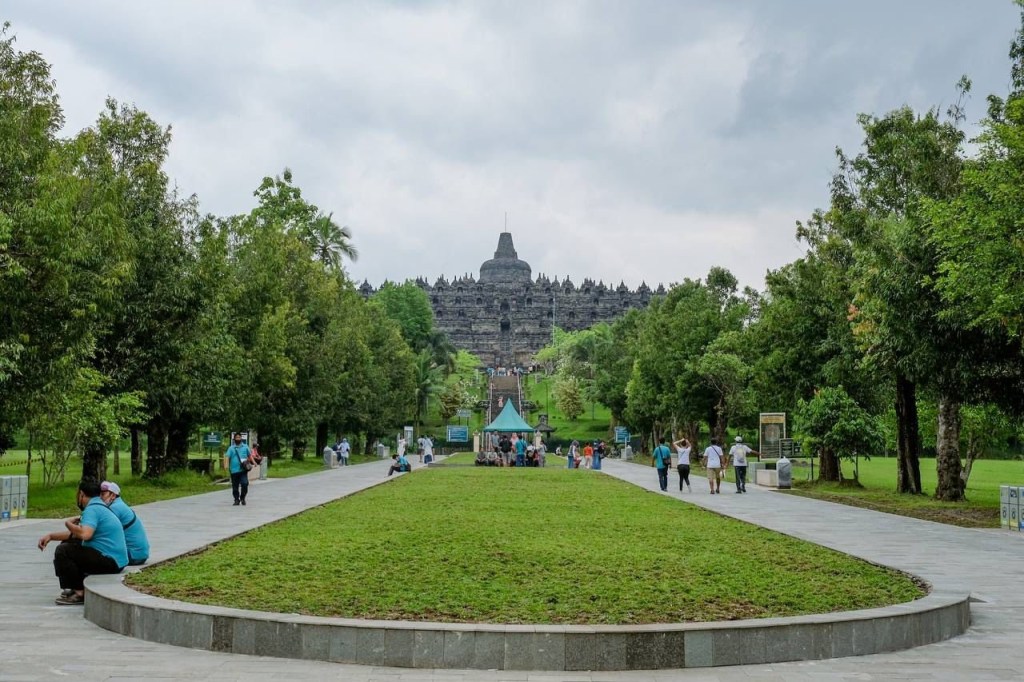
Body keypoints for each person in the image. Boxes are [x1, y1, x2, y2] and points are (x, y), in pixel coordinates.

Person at [37, 479, 127, 605]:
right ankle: (75, 587)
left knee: (63, 550)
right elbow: (77, 534)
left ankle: (79, 593)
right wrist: (51, 536)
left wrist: (68, 524)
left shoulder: (92, 509)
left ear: (82, 494)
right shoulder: (100, 506)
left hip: (111, 561)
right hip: (117, 561)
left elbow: (85, 534)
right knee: (68, 544)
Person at [99, 481, 150, 565]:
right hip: (140, 554)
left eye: (103, 494)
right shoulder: (120, 504)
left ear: (113, 495)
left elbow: (102, 530)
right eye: (99, 495)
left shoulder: (114, 508)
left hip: (133, 555)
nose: (100, 497)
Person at [226, 433, 253, 506]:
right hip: (234, 470)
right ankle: (236, 500)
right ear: (234, 439)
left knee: (245, 483)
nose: (238, 439)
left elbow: (250, 455)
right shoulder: (231, 448)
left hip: (243, 470)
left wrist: (254, 462)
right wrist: (226, 465)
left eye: (239, 437)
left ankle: (242, 497)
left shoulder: (245, 447)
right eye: (236, 437)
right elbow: (227, 457)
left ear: (241, 438)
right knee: (235, 486)